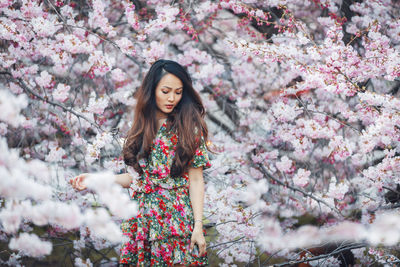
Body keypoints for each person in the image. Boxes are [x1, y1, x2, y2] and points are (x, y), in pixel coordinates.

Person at [70, 59, 212, 267]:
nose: (172, 98)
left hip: (176, 220)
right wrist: (96, 179)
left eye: (178, 92)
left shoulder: (188, 126)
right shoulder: (141, 127)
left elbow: (197, 179)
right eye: (166, 91)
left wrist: (198, 226)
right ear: (152, 90)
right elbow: (138, 179)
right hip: (143, 221)